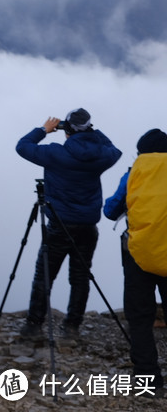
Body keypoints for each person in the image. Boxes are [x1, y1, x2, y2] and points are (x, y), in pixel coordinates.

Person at [15, 108, 122, 340]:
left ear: (67, 130)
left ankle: (34, 326)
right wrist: (94, 132)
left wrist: (44, 130)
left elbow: (22, 146)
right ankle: (72, 327)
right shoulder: (100, 156)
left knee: (45, 275)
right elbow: (115, 150)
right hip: (87, 226)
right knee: (80, 277)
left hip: (60, 224)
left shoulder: (56, 154)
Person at [103, 128, 167, 390]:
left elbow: (110, 210)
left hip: (138, 255)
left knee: (140, 317)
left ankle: (148, 381)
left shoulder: (133, 174)